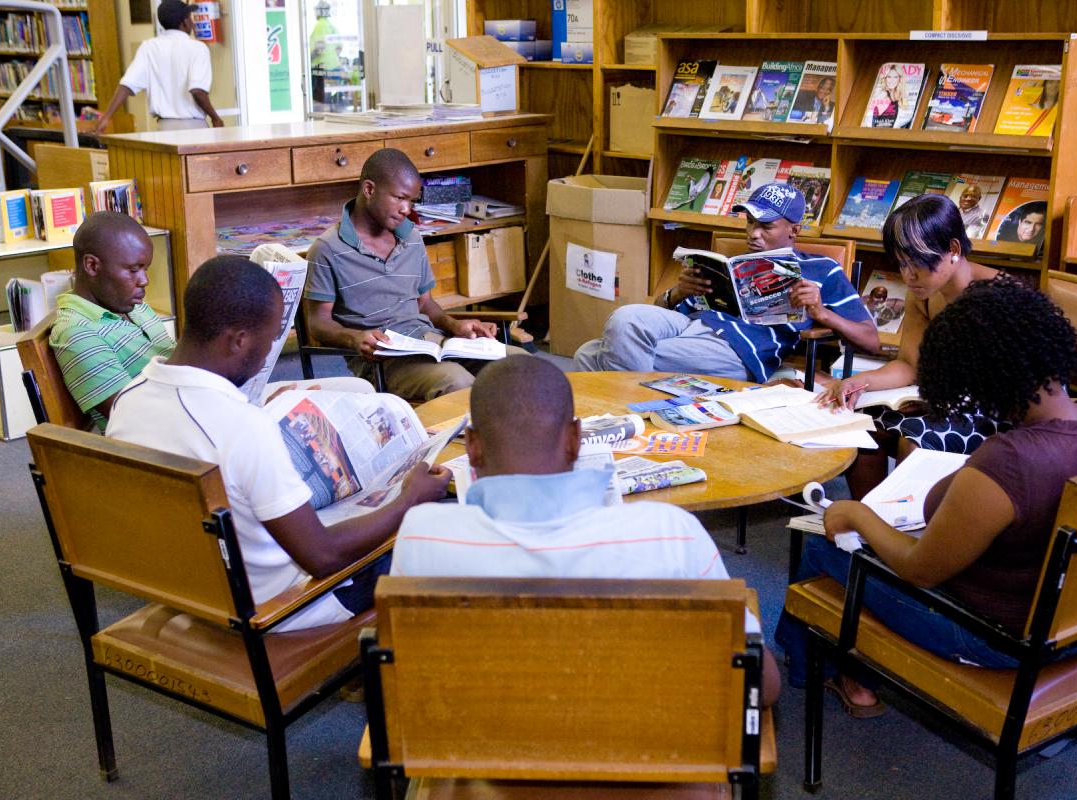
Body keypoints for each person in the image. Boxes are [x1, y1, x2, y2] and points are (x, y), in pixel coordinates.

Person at [777, 278, 1077, 715]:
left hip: (999, 641)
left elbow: (919, 570)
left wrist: (855, 513)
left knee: (821, 549)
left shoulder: (1007, 463)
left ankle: (825, 677)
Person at [391, 355, 781, 705]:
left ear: (472, 447)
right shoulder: (670, 534)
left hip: (488, 767)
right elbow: (760, 685)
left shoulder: (422, 534)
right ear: (577, 440)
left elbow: (406, 671)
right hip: (643, 766)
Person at [107, 256, 451, 633]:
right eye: (270, 340)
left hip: (188, 583)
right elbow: (323, 557)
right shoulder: (241, 427)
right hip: (279, 605)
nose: (269, 353)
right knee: (439, 528)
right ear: (238, 340)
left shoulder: (128, 399)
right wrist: (408, 498)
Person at [575, 182, 878, 383]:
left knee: (591, 354)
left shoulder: (821, 269)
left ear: (794, 230)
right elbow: (662, 310)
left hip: (740, 350)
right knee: (624, 319)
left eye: (765, 226)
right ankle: (633, 419)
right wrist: (677, 293)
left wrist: (822, 314)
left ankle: (629, 426)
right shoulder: (734, 264)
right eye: (749, 223)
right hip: (692, 327)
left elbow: (871, 340)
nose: (753, 234)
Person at [818, 194, 1005, 498]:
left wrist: (942, 400)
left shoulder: (997, 296)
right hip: (944, 404)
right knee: (859, 425)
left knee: (916, 439)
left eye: (918, 263)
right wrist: (857, 382)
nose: (908, 276)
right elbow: (909, 365)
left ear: (953, 249)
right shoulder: (923, 293)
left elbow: (1013, 390)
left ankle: (904, 531)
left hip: (998, 415)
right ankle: (868, 525)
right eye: (902, 264)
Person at [304, 148, 527, 402]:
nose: (406, 209)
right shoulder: (327, 249)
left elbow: (426, 304)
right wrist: (355, 338)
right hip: (383, 359)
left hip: (430, 343)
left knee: (521, 365)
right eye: (400, 198)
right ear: (369, 190)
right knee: (458, 382)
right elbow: (318, 323)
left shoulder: (411, 237)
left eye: (411, 201)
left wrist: (455, 325)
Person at [50, 212, 174, 431]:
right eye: (133, 270)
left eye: (145, 269)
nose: (145, 280)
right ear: (92, 266)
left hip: (183, 412)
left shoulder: (135, 307)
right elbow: (133, 418)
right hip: (161, 441)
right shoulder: (77, 333)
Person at [93, 1, 224, 133]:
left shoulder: (148, 47)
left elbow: (127, 85)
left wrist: (106, 117)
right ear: (184, 22)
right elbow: (197, 91)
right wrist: (215, 118)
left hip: (164, 128)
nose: (192, 22)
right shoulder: (198, 48)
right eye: (190, 18)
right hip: (194, 128)